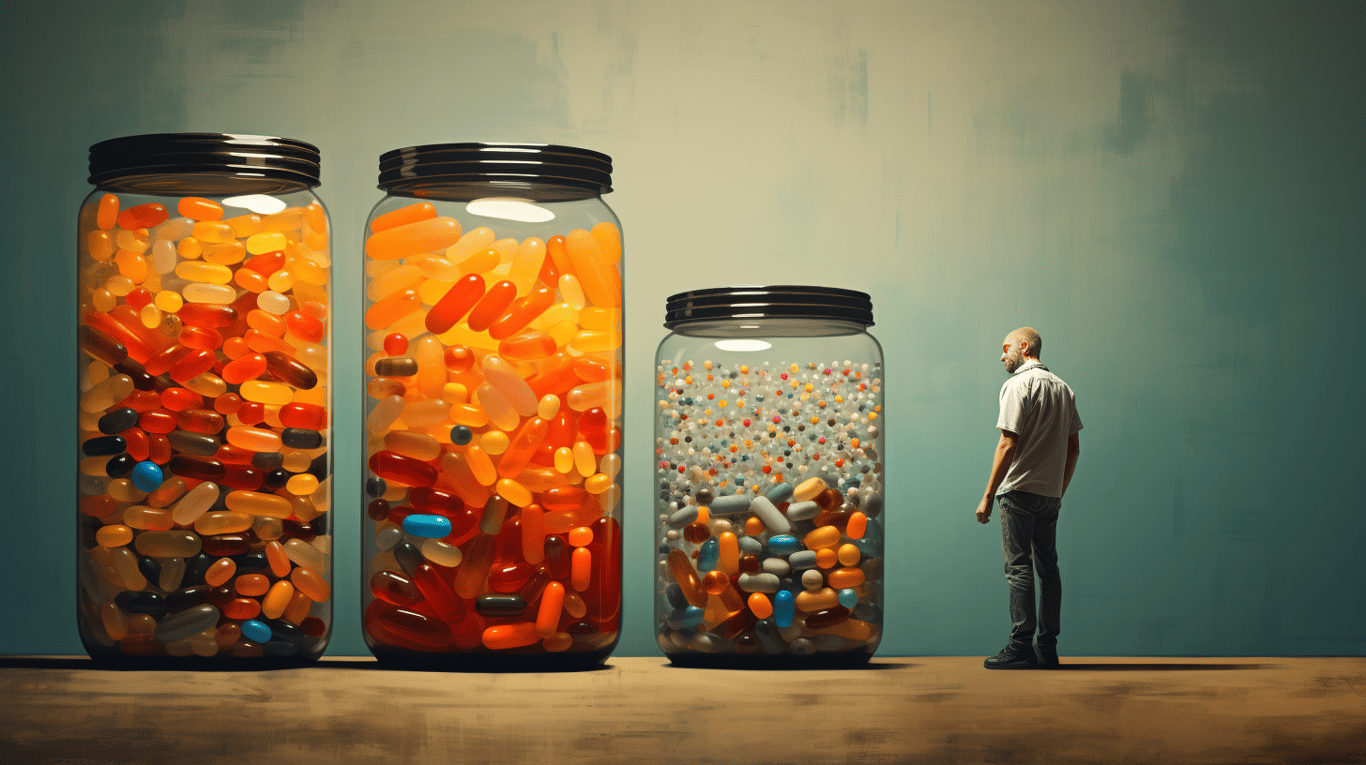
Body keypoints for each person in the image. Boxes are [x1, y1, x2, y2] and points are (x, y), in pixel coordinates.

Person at [976, 327, 1082, 669]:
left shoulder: (1017, 385)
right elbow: (1073, 448)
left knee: (1018, 568)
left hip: (1019, 492)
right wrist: (1058, 489)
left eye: (1006, 347)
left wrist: (988, 496)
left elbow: (1008, 442)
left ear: (1024, 347)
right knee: (1048, 569)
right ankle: (1046, 649)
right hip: (1049, 495)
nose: (1002, 355)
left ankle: (1020, 646)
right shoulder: (1064, 389)